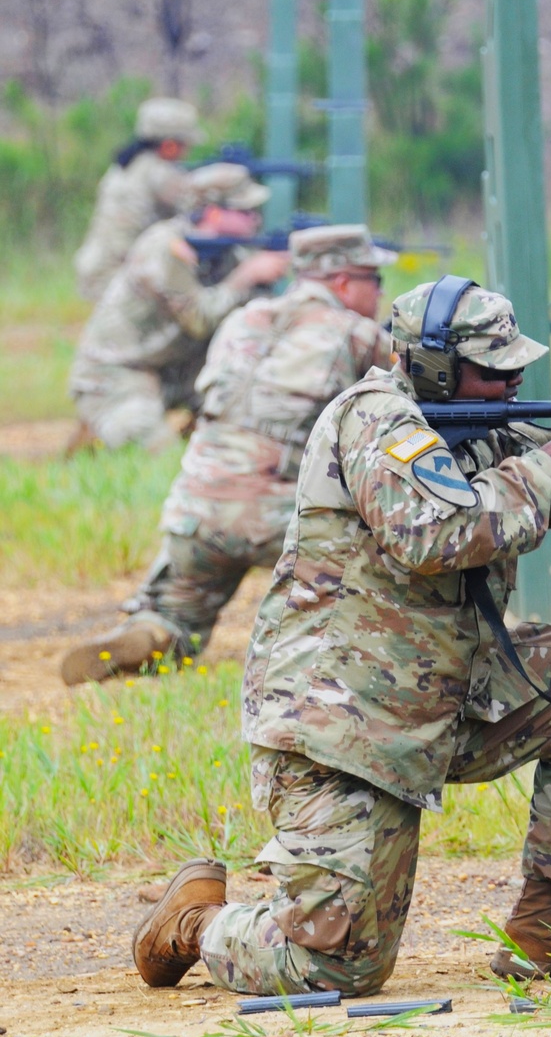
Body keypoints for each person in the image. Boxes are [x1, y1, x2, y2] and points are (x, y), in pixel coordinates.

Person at [133, 278, 551, 994]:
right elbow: (436, 533)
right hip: (342, 725)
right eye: (493, 369)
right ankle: (202, 922)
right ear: (437, 368)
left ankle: (547, 921)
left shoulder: (481, 422)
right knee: (335, 964)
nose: (513, 380)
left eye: (515, 366)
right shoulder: (376, 422)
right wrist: (544, 466)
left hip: (443, 692)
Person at [60, 225, 396, 686]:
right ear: (342, 283)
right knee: (392, 564)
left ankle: (151, 631)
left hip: (197, 508)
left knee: (176, 616)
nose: (380, 293)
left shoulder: (244, 318)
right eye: (374, 281)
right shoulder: (357, 335)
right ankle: (340, 645)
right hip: (281, 520)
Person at [67, 163, 289, 454]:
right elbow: (198, 319)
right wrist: (246, 277)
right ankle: (98, 427)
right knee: (154, 450)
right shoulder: (165, 248)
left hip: (176, 367)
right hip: (118, 369)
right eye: (244, 211)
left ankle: (197, 429)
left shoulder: (230, 253)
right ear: (213, 213)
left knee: (245, 417)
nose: (255, 219)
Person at [74, 98, 204, 303]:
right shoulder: (158, 173)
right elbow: (194, 209)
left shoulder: (126, 166)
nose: (186, 152)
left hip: (96, 268)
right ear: (169, 145)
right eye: (184, 145)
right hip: (117, 275)